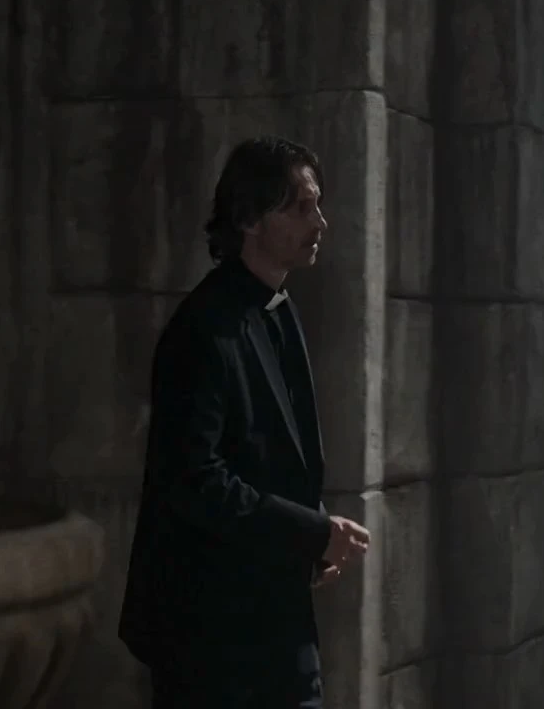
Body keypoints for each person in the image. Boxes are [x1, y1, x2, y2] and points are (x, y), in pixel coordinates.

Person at [119, 136, 371, 708]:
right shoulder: (202, 329)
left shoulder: (278, 310)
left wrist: (312, 540)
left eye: (318, 205)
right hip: (212, 636)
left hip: (272, 620)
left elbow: (269, 456)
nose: (320, 222)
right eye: (300, 207)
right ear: (249, 219)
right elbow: (194, 480)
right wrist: (310, 533)